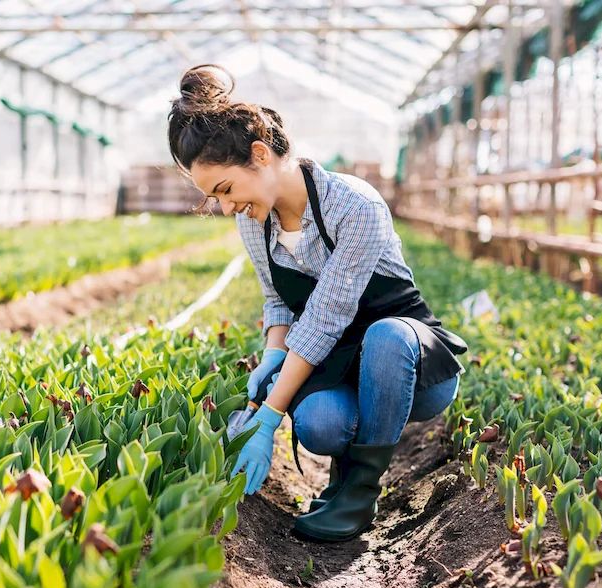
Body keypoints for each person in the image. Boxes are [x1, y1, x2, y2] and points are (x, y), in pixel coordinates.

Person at [167, 65, 469, 543]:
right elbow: (278, 299)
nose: (225, 208)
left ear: (261, 155)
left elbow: (326, 319)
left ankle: (360, 493)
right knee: (319, 424)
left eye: (225, 190)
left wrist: (267, 418)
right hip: (339, 361)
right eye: (213, 199)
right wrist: (272, 353)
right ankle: (340, 479)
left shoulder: (355, 207)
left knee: (385, 336)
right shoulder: (255, 221)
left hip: (410, 368)